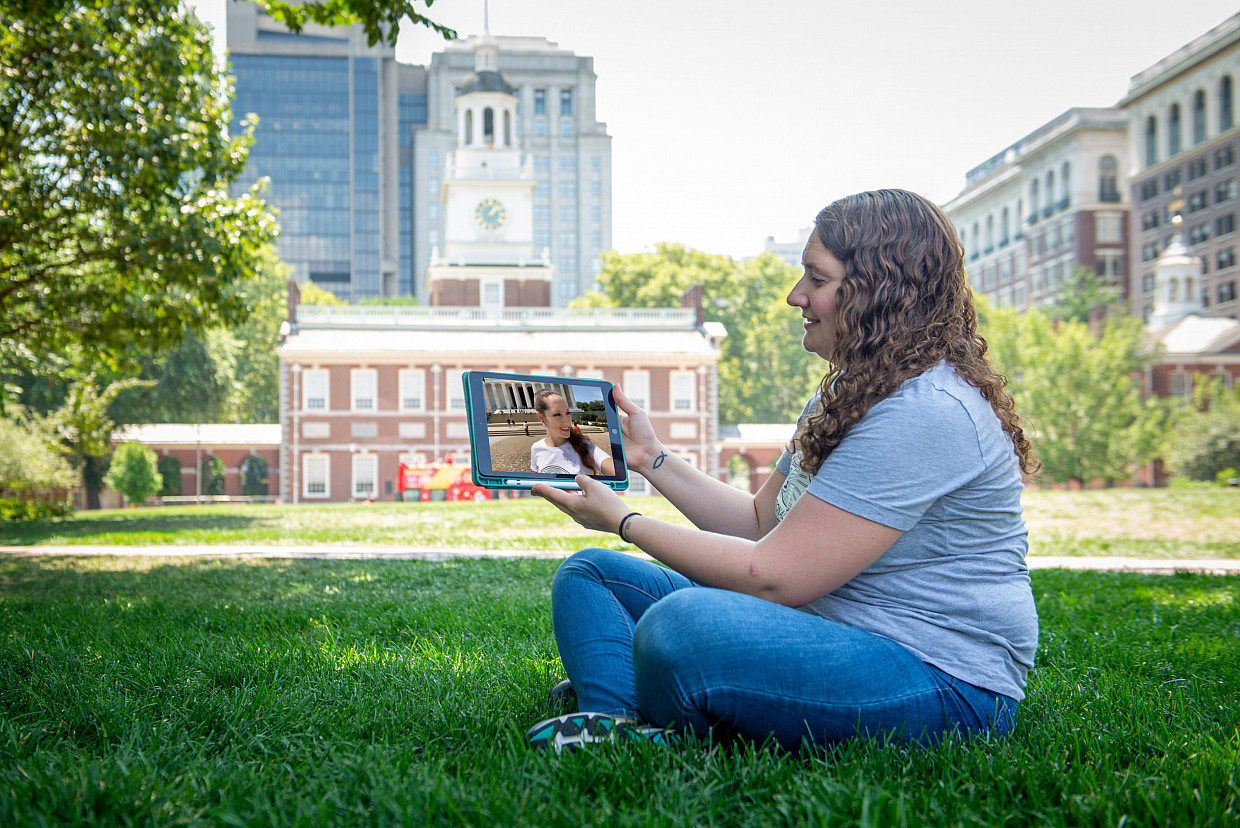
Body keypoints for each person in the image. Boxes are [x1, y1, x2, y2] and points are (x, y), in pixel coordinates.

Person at [525, 189, 1040, 754]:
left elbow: (771, 574)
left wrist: (627, 522)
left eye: (815, 279)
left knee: (680, 626)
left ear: (878, 289)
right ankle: (619, 723)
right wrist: (653, 460)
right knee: (592, 576)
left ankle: (640, 693)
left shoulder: (926, 410)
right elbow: (756, 522)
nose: (796, 296)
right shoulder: (848, 392)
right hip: (824, 625)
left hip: (937, 674)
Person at [529, 389, 616, 476]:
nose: (567, 422)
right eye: (557, 414)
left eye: (567, 413)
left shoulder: (585, 447)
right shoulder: (536, 448)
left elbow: (609, 465)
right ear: (541, 417)